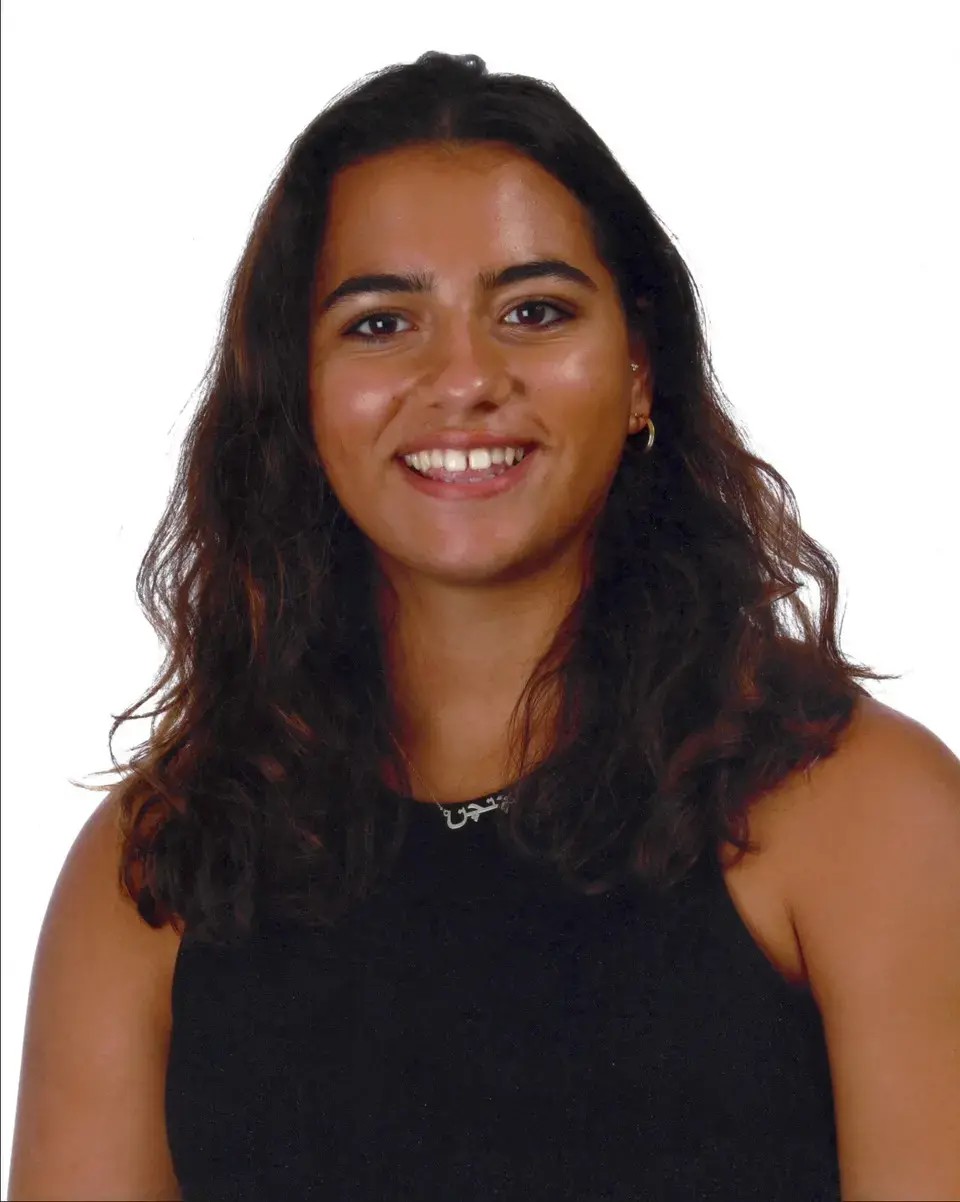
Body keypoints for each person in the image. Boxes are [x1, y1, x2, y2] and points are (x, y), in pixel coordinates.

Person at [8, 50, 960, 1202]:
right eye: (379, 322)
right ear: (300, 396)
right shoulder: (157, 862)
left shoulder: (865, 813)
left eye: (534, 310)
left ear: (641, 367)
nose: (464, 377)